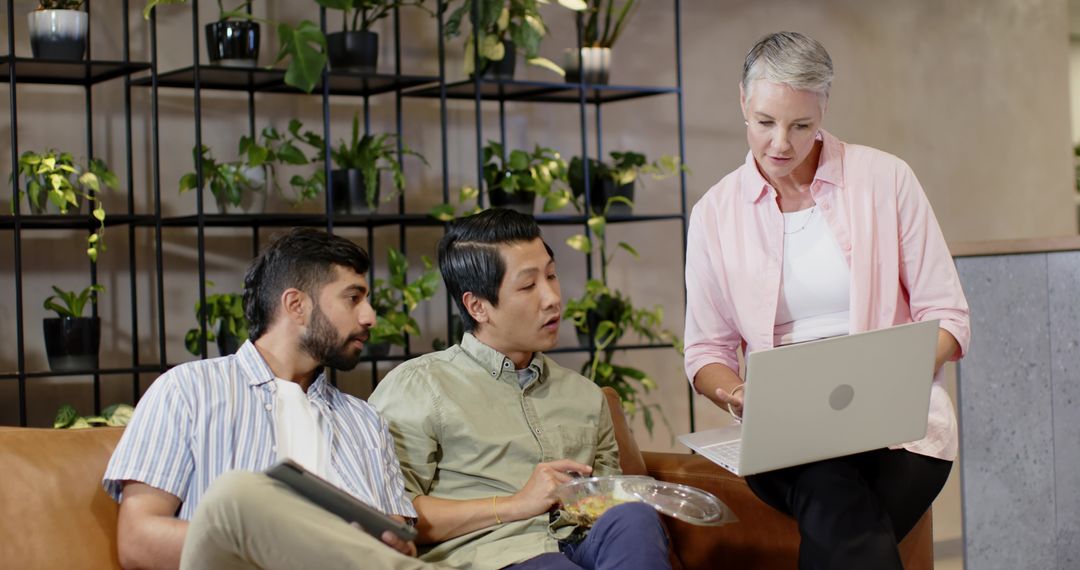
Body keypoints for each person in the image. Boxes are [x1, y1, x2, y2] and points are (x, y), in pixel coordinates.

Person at [683, 31, 971, 569]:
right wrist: (743, 394)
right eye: (765, 122)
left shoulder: (886, 179)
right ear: (742, 102)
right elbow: (705, 354)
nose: (781, 144)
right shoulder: (715, 214)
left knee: (840, 523)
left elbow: (949, 317)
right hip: (786, 435)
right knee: (829, 487)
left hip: (901, 429)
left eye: (801, 126)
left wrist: (891, 374)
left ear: (824, 109)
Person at [102, 227, 433, 570]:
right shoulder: (187, 390)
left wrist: (396, 548)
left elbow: (395, 545)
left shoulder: (366, 421)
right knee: (237, 494)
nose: (370, 317)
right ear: (296, 305)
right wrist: (296, 547)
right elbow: (138, 542)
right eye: (353, 298)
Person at [369, 208, 671, 570]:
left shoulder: (584, 395)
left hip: (580, 545)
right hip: (493, 556)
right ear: (478, 306)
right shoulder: (420, 386)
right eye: (528, 286)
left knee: (634, 520)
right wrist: (515, 504)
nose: (552, 298)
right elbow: (393, 516)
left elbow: (607, 501)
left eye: (552, 276)